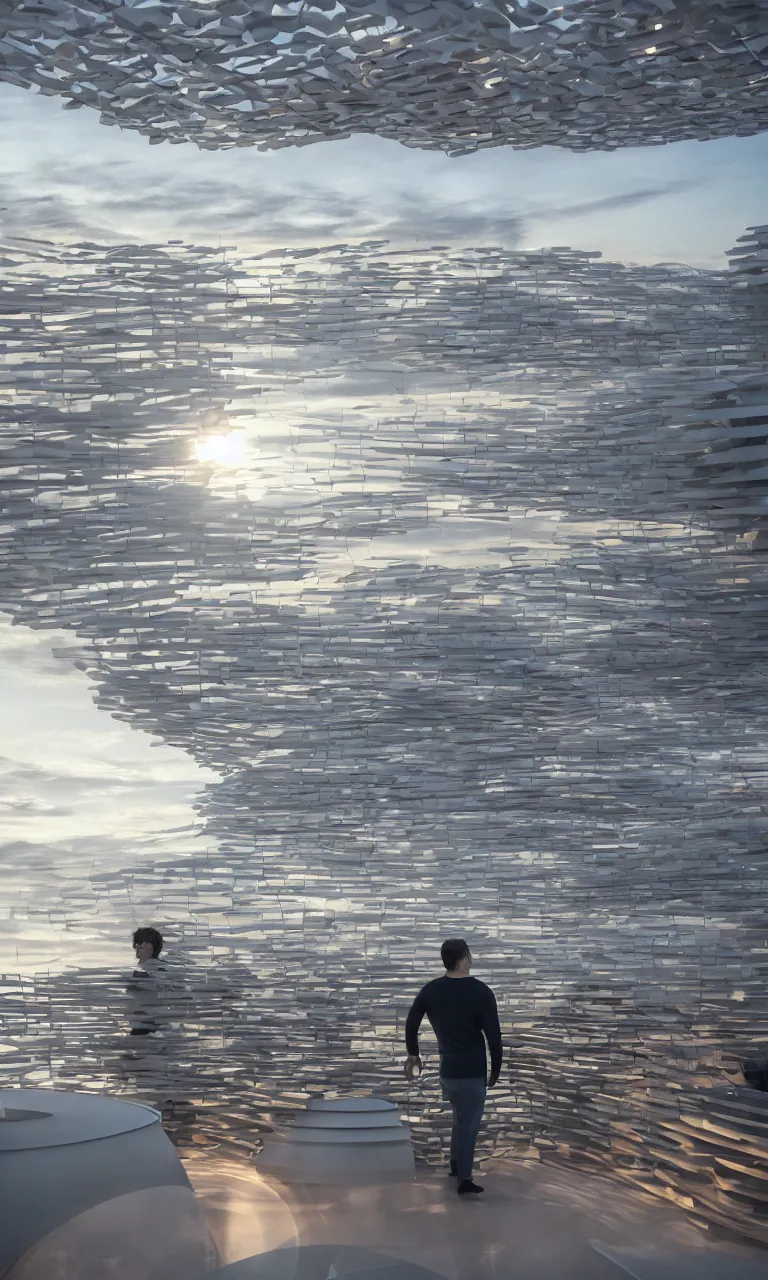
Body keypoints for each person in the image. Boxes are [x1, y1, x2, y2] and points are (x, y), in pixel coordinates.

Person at [404, 938, 502, 1197]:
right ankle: (465, 1180)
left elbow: (411, 1023)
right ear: (464, 958)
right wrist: (496, 1070)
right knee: (469, 1125)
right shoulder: (481, 992)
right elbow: (494, 1037)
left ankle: (455, 1164)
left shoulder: (431, 990)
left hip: (448, 1072)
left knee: (460, 1118)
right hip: (471, 1072)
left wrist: (413, 1054)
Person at [127, 926, 167, 1035]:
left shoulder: (145, 972)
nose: (136, 946)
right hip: (149, 1025)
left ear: (151, 946)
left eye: (140, 943)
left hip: (146, 1026)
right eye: (136, 943)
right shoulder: (158, 969)